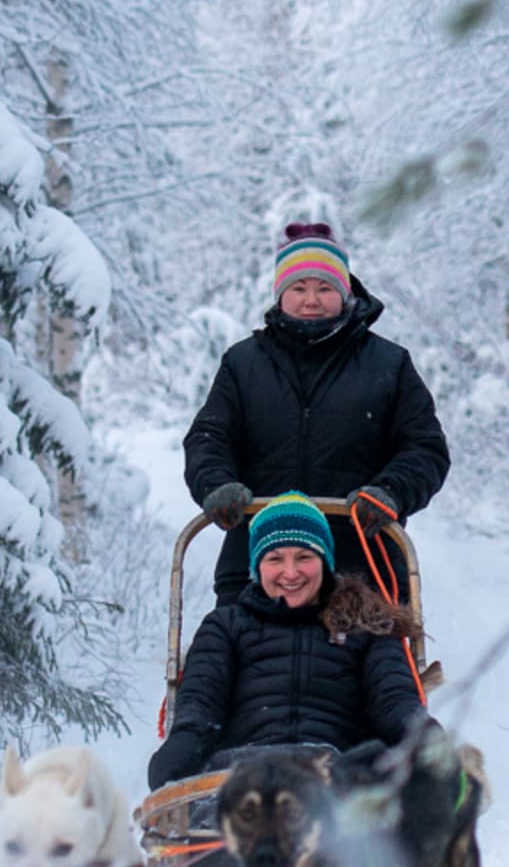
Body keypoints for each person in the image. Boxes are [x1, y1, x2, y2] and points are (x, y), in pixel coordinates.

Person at [185, 222, 449, 605]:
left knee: (370, 664)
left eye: (324, 288)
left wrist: (390, 492)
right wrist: (215, 485)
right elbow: (209, 438)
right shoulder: (243, 364)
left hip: (362, 564)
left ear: (345, 293)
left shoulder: (389, 365)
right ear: (281, 295)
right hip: (260, 562)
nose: (312, 300)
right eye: (299, 288)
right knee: (241, 659)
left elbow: (424, 447)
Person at [147, 495, 423, 792]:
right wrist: (180, 748)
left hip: (337, 773)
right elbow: (202, 705)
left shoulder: (366, 626)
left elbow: (394, 701)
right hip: (243, 774)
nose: (290, 573)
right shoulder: (225, 626)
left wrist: (424, 740)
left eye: (304, 557)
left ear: (324, 562)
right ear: (257, 566)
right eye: (275, 558)